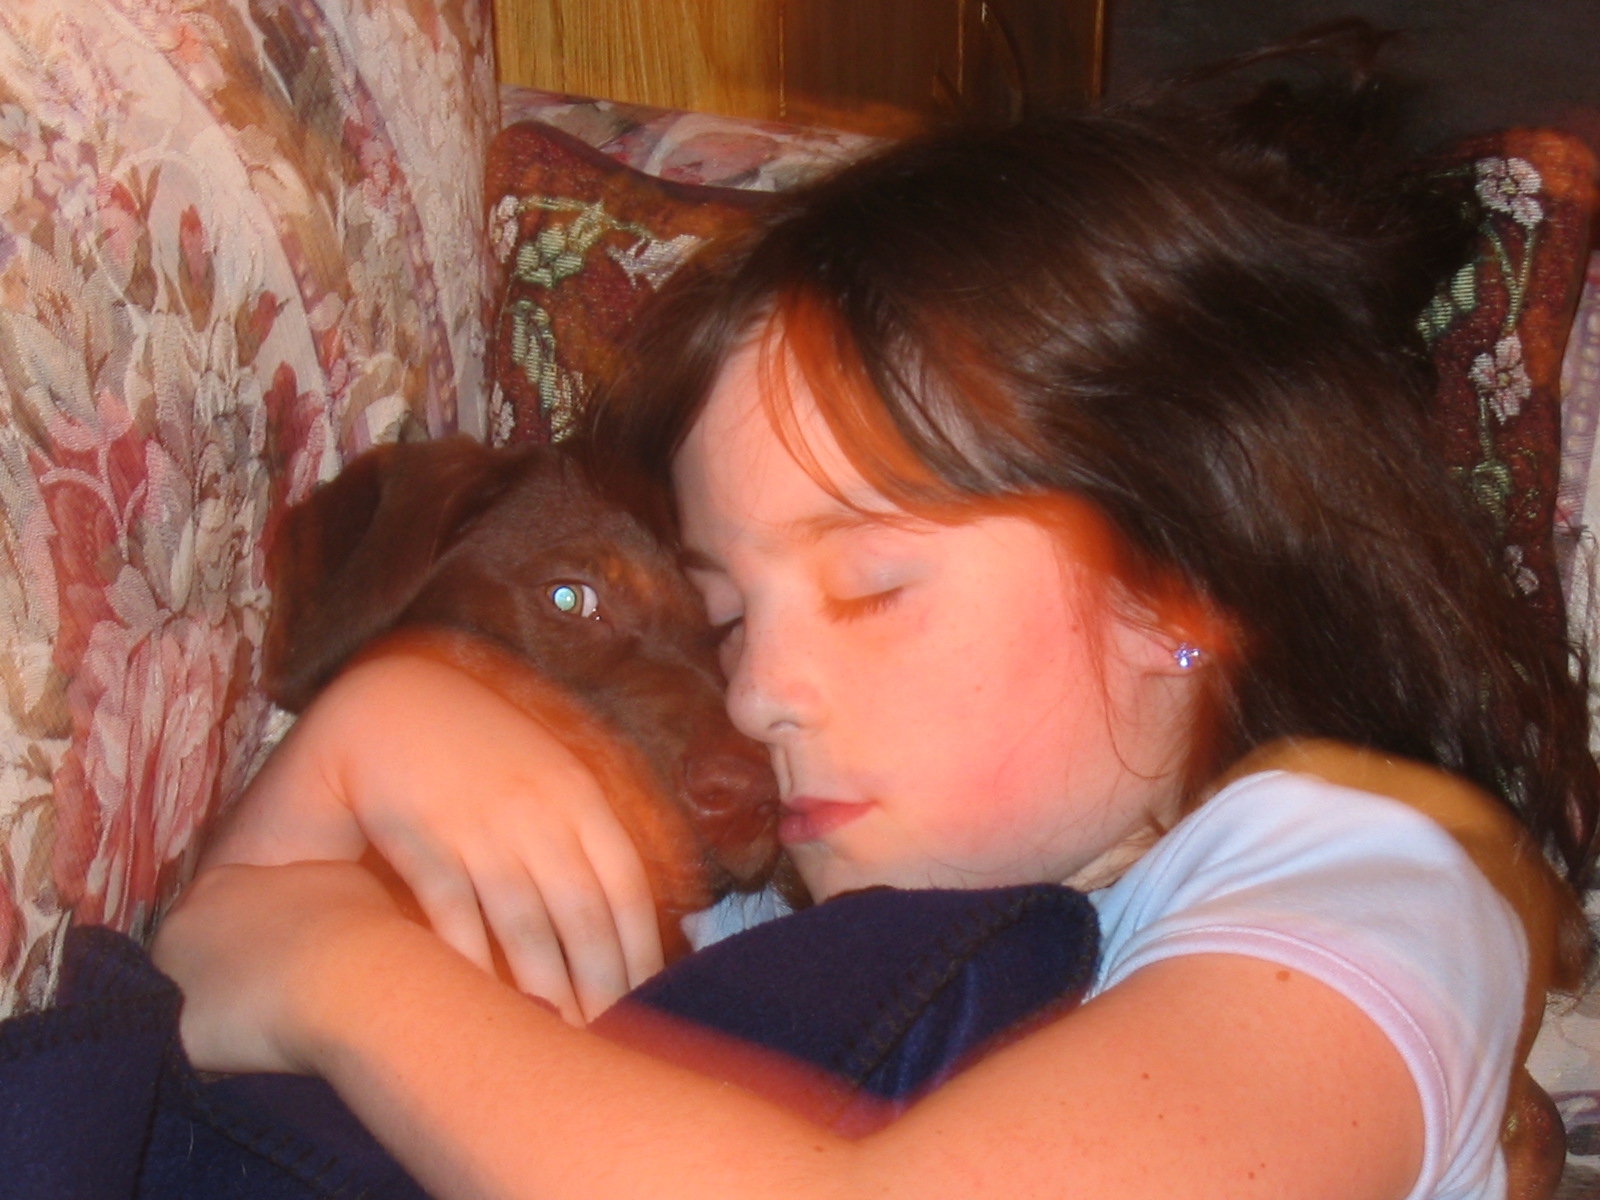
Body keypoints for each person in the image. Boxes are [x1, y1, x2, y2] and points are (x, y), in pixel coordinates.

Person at [152, 44, 1600, 1200]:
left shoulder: (1362, 884)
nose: (760, 692)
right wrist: (363, 738)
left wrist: (344, 979)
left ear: (1179, 589)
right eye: (729, 616)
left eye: (871, 587)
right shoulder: (757, 904)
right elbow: (209, 995)